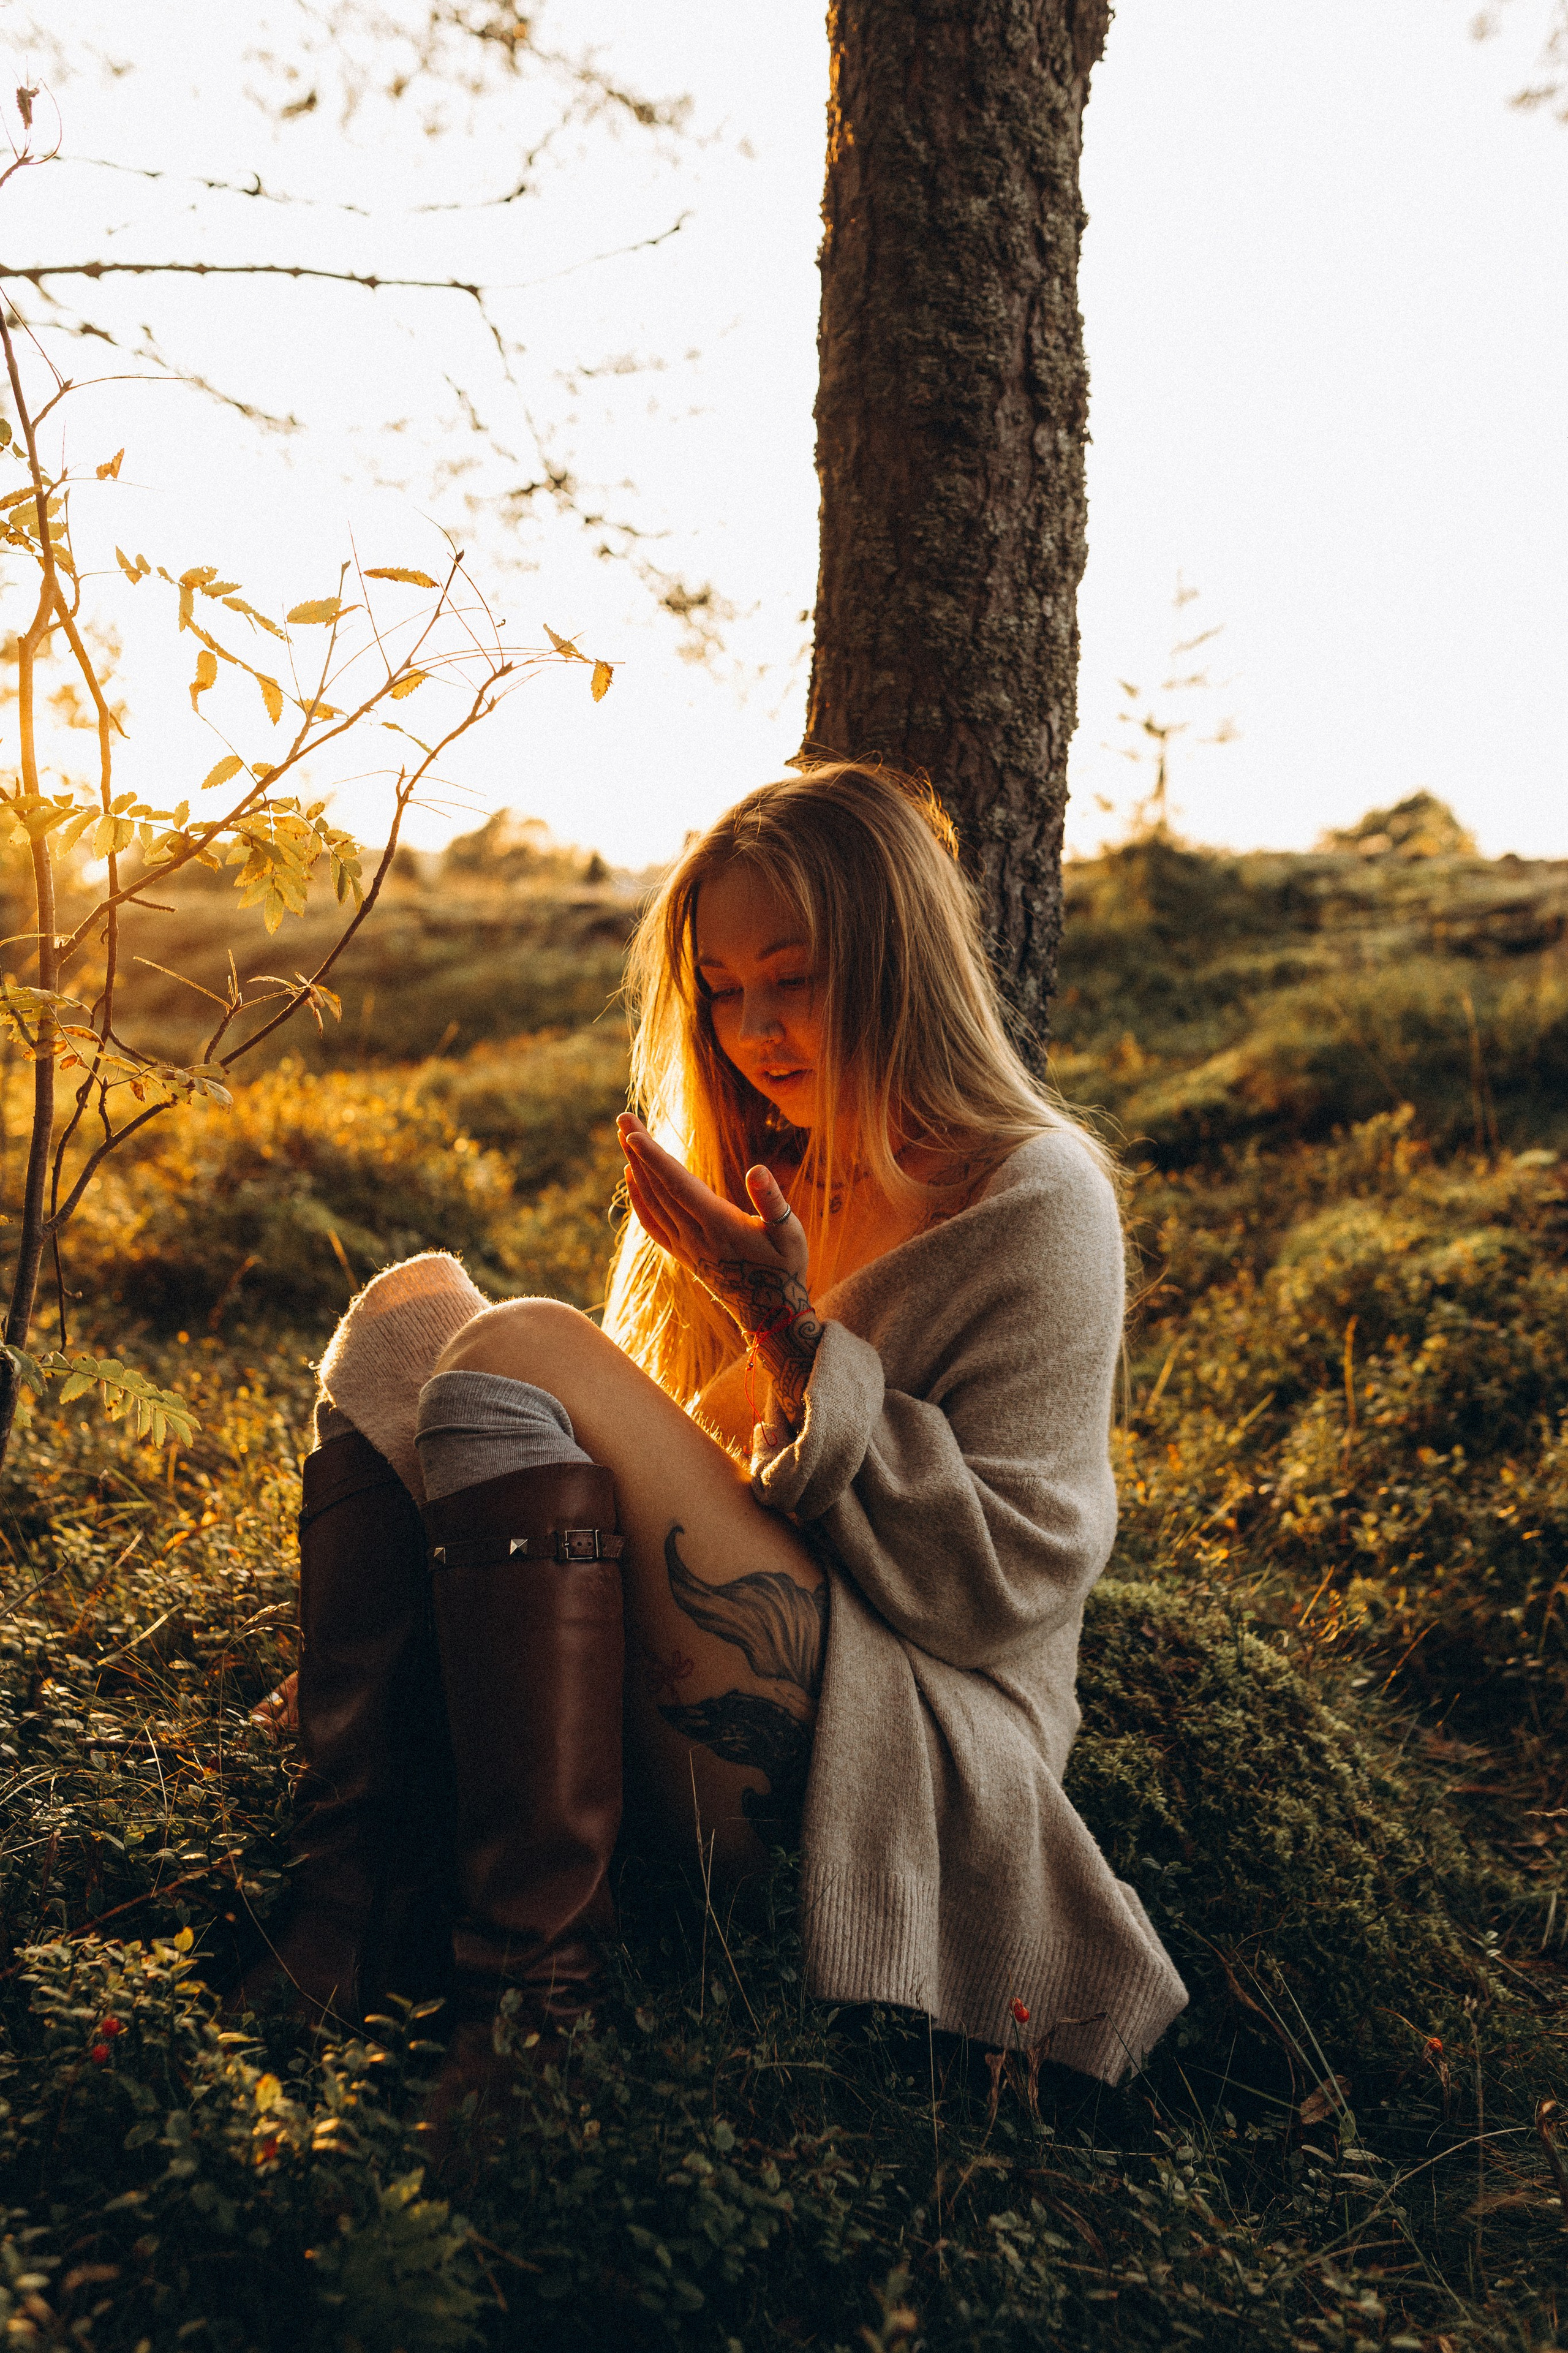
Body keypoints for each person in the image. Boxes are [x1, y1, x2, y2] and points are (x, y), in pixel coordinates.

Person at [241, 761, 1186, 2102]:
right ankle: (346, 1899)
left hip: (893, 1734)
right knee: (409, 1319)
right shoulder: (758, 1169)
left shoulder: (1034, 1200)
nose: (754, 1029)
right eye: (722, 989)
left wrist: (785, 1327)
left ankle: (532, 2008)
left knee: (524, 1342)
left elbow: (1003, 1589)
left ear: (898, 960)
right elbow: (614, 1489)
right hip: (704, 1650)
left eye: (792, 978)